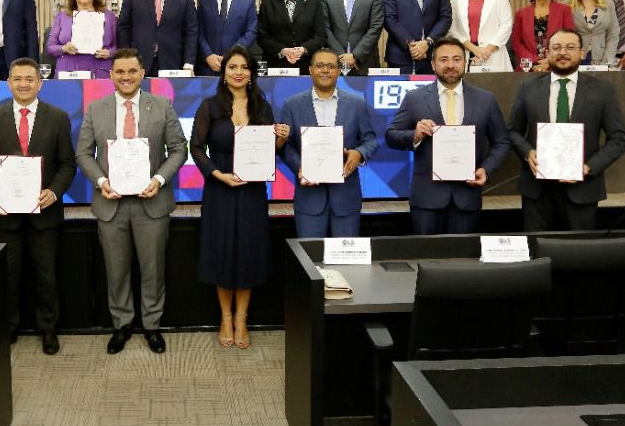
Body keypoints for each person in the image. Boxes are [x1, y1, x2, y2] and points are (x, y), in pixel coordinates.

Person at [75, 48, 188, 354]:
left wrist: (159, 179)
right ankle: (122, 324)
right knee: (116, 270)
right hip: (110, 203)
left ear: (142, 73)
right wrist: (101, 182)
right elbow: (83, 153)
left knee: (153, 269)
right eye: (120, 72)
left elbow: (179, 149)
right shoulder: (95, 109)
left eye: (132, 71)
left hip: (152, 202)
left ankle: (152, 325)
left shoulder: (162, 106)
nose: (126, 77)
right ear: (111, 75)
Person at [190, 45, 289, 349]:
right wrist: (217, 174)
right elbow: (196, 147)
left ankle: (242, 318)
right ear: (223, 73)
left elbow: (270, 151)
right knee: (221, 253)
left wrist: (280, 140)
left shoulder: (262, 107)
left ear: (251, 73)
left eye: (244, 67)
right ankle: (225, 317)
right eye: (232, 67)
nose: (238, 72)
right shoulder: (209, 106)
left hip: (252, 191)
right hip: (219, 189)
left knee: (247, 253)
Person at [0, 58, 76, 353]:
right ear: (8, 83)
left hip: (45, 213)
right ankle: (8, 326)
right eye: (17, 79)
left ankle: (48, 328)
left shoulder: (57, 117)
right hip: (7, 214)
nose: (23, 84)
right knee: (8, 274)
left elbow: (67, 164)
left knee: (46, 274)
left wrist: (54, 192)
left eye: (29, 79)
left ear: (40, 84)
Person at [385, 37, 511, 234]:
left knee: (464, 254)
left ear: (465, 62)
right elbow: (391, 136)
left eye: (456, 59)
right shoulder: (414, 98)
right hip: (426, 199)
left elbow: (501, 142)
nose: (451, 65)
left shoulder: (485, 99)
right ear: (433, 64)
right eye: (444, 60)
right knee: (425, 252)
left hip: (467, 197)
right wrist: (415, 136)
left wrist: (486, 170)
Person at [508, 29, 625, 231]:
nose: (563, 52)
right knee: (537, 247)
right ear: (547, 53)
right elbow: (512, 131)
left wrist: (588, 167)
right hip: (537, 191)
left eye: (570, 47)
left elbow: (619, 139)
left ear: (582, 53)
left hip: (582, 189)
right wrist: (528, 152)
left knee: (579, 249)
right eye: (556, 47)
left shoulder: (602, 91)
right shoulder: (528, 87)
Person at [280, 48, 378, 237]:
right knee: (310, 254)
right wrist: (300, 167)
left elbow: (370, 140)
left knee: (345, 256)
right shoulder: (292, 104)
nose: (325, 70)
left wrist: (359, 154)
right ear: (310, 70)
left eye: (331, 66)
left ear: (339, 71)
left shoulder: (356, 103)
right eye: (320, 65)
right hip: (309, 199)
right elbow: (285, 146)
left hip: (346, 199)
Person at [256, 0, 328, 74]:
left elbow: (321, 35)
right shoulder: (267, 3)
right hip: (276, 65)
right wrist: (283, 51)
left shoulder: (314, 0)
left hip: (307, 64)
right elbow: (262, 37)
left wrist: (303, 49)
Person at [448, 0, 514, 72]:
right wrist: (474, 49)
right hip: (466, 54)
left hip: (494, 55)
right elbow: (452, 30)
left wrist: (486, 51)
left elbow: (506, 26)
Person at [195, 0, 258, 76]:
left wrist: (232, 55)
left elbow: (251, 32)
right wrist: (208, 55)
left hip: (238, 66)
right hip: (209, 67)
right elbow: (198, 32)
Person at [45, 0, 116, 78]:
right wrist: (64, 48)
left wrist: (110, 53)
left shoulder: (109, 16)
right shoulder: (62, 17)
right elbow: (50, 47)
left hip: (100, 71)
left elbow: (120, 46)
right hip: (68, 72)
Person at [512, 0, 576, 72]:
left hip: (558, 64)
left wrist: (551, 60)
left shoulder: (564, 10)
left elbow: (570, 38)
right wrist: (534, 60)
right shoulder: (521, 14)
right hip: (528, 66)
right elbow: (516, 43)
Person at [570, 0, 619, 65]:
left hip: (602, 60)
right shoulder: (566, 6)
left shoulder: (608, 4)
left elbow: (613, 35)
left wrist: (606, 62)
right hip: (575, 61)